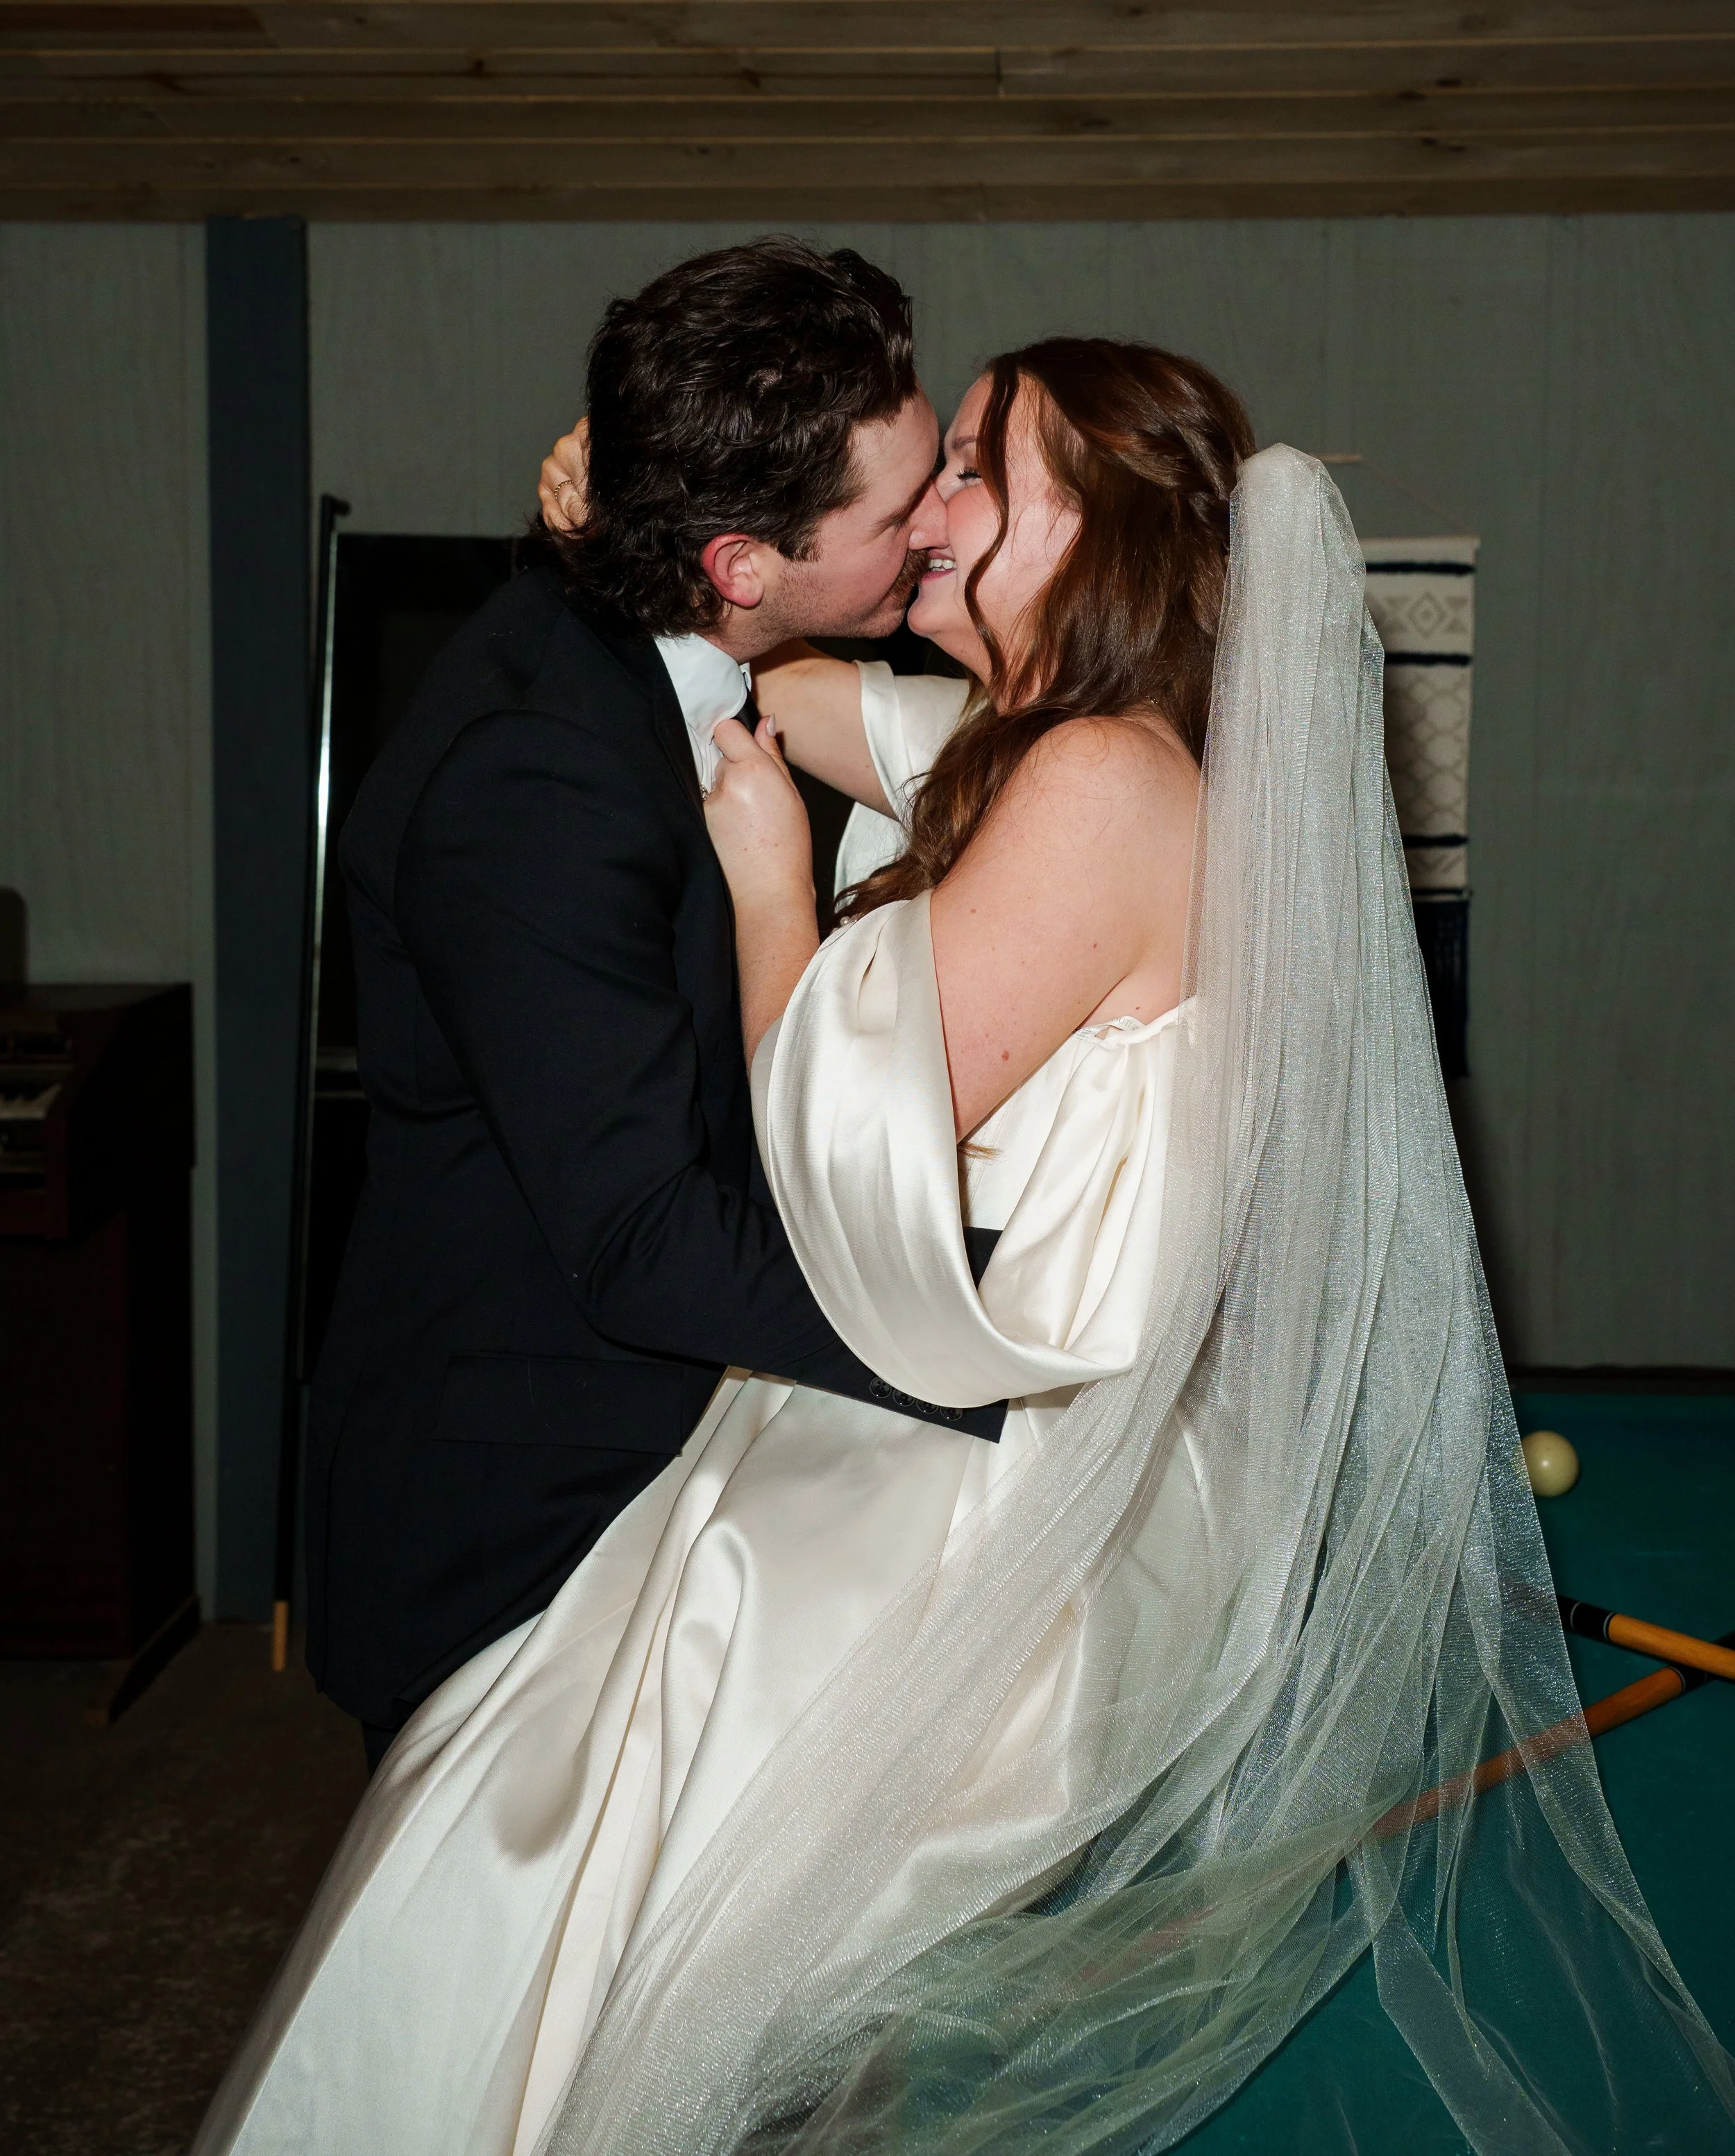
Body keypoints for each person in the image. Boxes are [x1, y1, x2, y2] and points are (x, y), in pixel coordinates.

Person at [200, 334, 1732, 2156]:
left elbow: (825, 1166)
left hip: (995, 1485)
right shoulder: (1028, 742)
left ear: (1101, 538)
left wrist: (777, 888)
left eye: (980, 465)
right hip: (918, 1406)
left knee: (574, 1859)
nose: (930, 503)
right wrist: (643, 526)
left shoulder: (1098, 781)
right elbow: (774, 673)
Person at [304, 235, 1001, 1773]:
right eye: (899, 511)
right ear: (742, 569)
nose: (936, 527)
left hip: (662, 1464)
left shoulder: (644, 647)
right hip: (528, 1516)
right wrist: (1020, 1323)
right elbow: (637, 1242)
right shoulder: (535, 778)